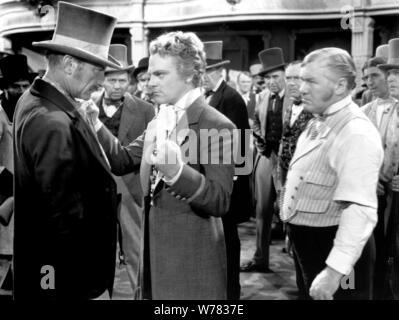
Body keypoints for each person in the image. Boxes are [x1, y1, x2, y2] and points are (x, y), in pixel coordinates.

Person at [89, 31, 236, 300]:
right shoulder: (159, 119)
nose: (149, 84)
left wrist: (178, 173)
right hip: (154, 260)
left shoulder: (217, 125)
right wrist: (94, 122)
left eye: (160, 75)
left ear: (190, 74)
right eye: (149, 75)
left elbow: (220, 200)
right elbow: (122, 160)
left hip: (191, 264)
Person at [13, 2, 123, 300]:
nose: (102, 81)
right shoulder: (52, 121)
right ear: (70, 65)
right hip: (67, 278)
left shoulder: (37, 99)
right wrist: (89, 288)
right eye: (98, 69)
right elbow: (63, 218)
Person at [282, 47, 383, 300]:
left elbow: (360, 210)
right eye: (301, 80)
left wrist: (334, 271)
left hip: (331, 247)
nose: (301, 88)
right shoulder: (319, 119)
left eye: (311, 81)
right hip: (311, 245)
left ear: (340, 86)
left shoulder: (355, 132)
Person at [91, 44, 155, 298]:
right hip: (95, 189)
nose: (118, 86)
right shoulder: (86, 107)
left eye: (122, 80)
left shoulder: (145, 110)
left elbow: (145, 154)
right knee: (98, 250)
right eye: (112, 80)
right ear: (101, 81)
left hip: (130, 188)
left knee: (135, 250)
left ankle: (142, 296)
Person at [203, 41, 252, 300]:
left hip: (230, 184)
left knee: (229, 242)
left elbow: (241, 147)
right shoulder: (211, 96)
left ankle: (232, 293)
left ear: (219, 72)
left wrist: (235, 186)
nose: (203, 76)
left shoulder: (231, 98)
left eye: (207, 72)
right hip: (217, 179)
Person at [241, 47, 290, 273]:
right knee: (262, 210)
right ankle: (261, 258)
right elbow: (255, 122)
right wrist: (259, 139)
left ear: (285, 76)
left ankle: (295, 256)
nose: (271, 82)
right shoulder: (261, 97)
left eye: (275, 77)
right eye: (268, 77)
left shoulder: (294, 97)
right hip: (265, 157)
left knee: (288, 210)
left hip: (287, 162)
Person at [277, 60, 313, 298]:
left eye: (297, 79)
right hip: (287, 184)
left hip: (308, 191)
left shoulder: (315, 110)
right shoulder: (289, 106)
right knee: (295, 248)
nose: (291, 84)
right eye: (288, 78)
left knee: (310, 255)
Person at [373, 38, 399, 299]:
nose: (391, 78)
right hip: (386, 198)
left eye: (398, 73)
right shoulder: (389, 110)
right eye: (390, 72)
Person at [0, 54, 37, 122]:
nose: (22, 91)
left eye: (25, 86)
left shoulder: (36, 109)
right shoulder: (1, 113)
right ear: (5, 89)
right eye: (15, 86)